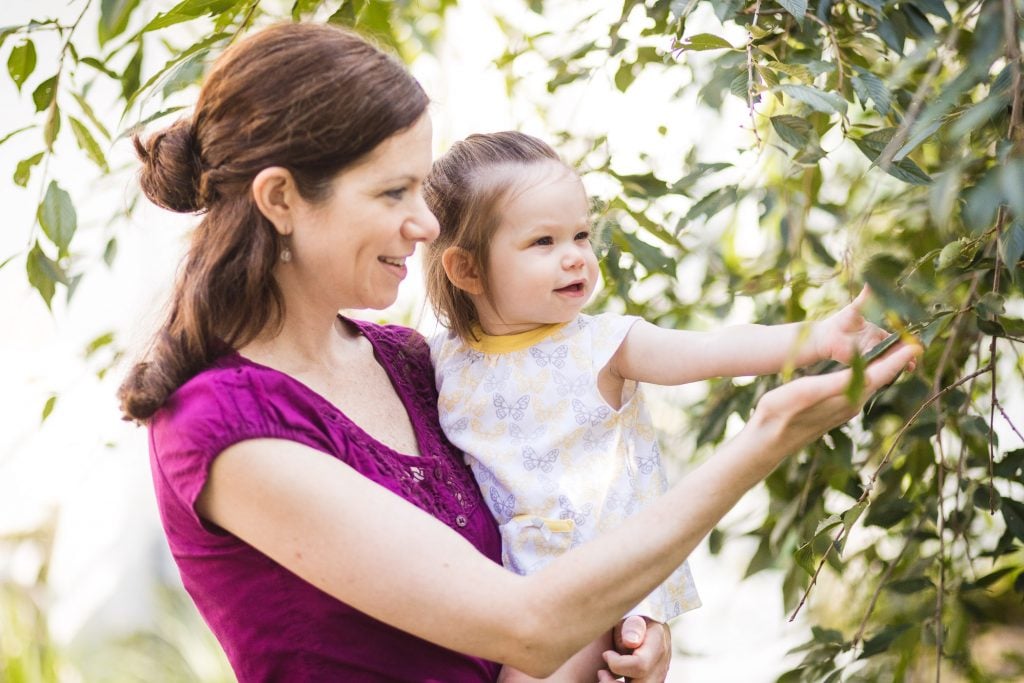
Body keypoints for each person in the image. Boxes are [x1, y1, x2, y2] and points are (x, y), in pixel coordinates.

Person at [118, 21, 920, 683]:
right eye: (393, 192)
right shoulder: (221, 427)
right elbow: (528, 626)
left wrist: (629, 635)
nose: (427, 226)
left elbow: (548, 574)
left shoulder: (413, 365)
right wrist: (768, 436)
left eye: (423, 191)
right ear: (283, 199)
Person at [422, 132, 894, 681]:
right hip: (513, 594)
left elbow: (714, 350)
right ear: (468, 271)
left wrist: (821, 336)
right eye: (543, 242)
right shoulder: (444, 360)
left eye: (581, 234)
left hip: (597, 591)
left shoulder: (603, 346)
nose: (576, 256)